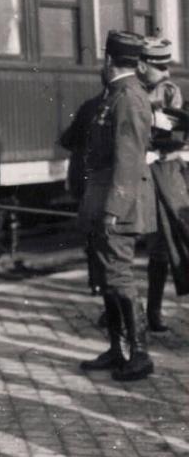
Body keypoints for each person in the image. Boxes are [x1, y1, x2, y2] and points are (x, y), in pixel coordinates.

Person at [78, 30, 155, 382]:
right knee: (109, 277)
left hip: (116, 204)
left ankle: (139, 354)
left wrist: (113, 209)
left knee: (120, 276)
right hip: (104, 200)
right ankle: (118, 348)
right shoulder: (118, 95)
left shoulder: (127, 97)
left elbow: (129, 159)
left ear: (109, 61)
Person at [139, 37, 187, 333]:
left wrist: (155, 150)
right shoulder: (135, 88)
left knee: (172, 240)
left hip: (165, 174)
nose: (165, 72)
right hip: (141, 173)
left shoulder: (169, 92)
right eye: (159, 67)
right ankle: (139, 310)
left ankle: (153, 311)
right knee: (147, 245)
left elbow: (177, 136)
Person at [60, 92, 106, 297]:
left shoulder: (89, 105)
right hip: (107, 180)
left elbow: (67, 139)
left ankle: (96, 281)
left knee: (92, 233)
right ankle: (105, 281)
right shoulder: (128, 101)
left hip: (86, 178)